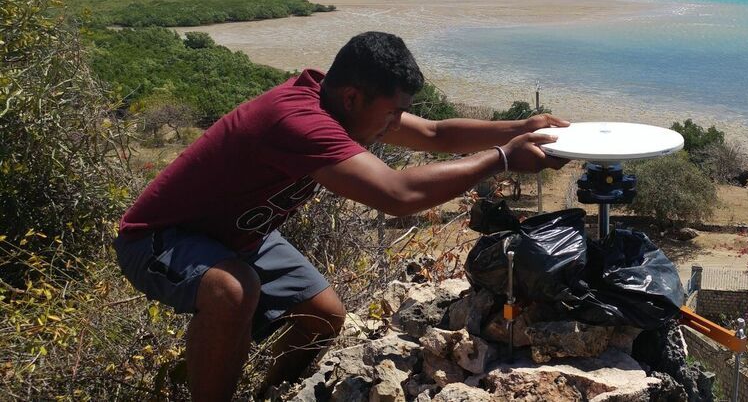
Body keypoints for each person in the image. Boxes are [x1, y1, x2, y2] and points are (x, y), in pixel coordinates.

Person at [113, 31, 569, 401]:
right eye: (392, 113)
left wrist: (521, 128)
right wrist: (502, 158)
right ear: (352, 97)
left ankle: (271, 393)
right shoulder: (299, 121)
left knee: (323, 317)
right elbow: (398, 194)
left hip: (241, 233)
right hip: (160, 238)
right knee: (233, 290)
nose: (395, 124)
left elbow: (434, 134)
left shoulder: (338, 100)